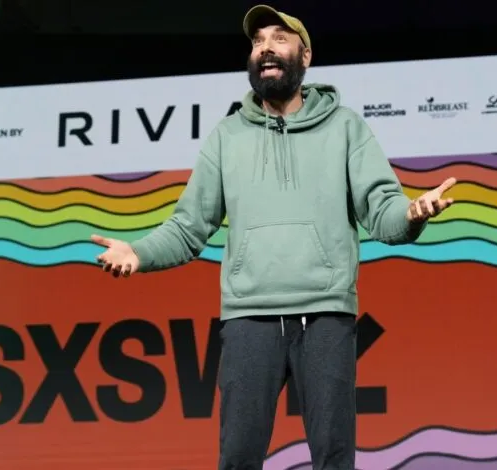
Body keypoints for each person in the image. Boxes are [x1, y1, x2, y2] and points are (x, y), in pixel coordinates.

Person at [91, 4, 456, 469]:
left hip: (325, 316)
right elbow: (189, 227)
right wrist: (138, 253)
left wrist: (412, 214)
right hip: (249, 319)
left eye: (280, 39)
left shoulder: (345, 128)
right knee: (238, 457)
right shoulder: (227, 136)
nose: (266, 47)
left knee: (334, 457)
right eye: (258, 40)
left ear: (306, 57)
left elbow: (382, 213)